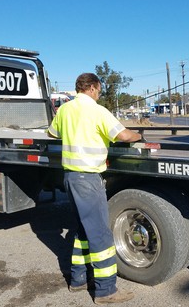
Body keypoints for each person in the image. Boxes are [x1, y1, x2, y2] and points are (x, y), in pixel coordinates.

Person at [47, 73, 142, 305]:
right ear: (92, 87)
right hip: (88, 179)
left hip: (70, 177)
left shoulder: (65, 110)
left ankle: (78, 280)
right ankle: (106, 290)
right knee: (100, 234)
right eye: (99, 89)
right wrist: (138, 135)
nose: (99, 93)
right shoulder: (97, 110)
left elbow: (52, 133)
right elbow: (122, 135)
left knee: (83, 230)